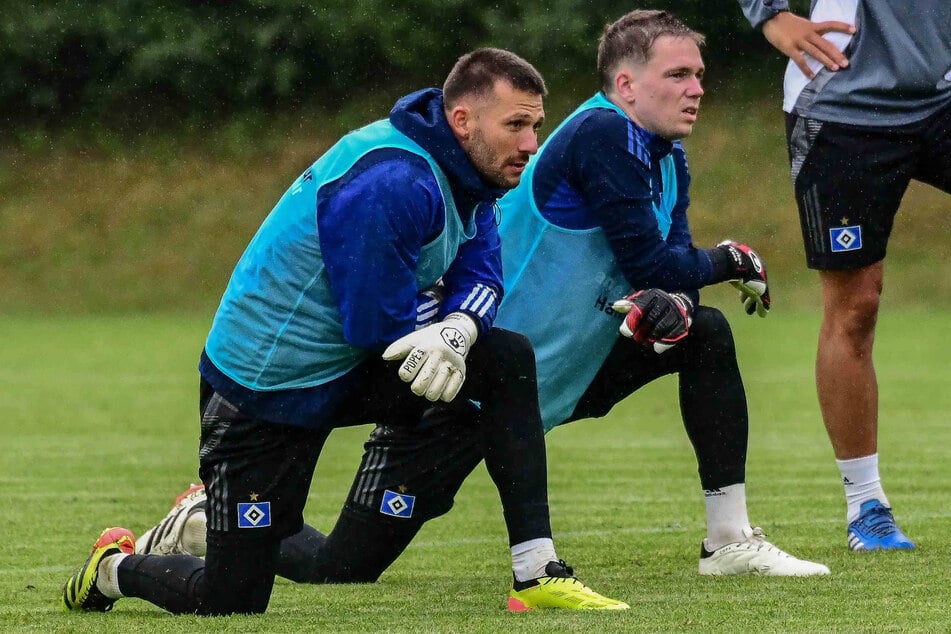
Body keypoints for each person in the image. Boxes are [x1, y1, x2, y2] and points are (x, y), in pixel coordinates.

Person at [138, 10, 830, 591]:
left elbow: (658, 272)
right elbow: (650, 259)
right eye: (677, 74)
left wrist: (670, 302)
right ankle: (203, 522)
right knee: (341, 569)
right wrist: (728, 259)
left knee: (700, 332)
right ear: (625, 84)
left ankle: (714, 541)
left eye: (699, 75)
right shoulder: (595, 134)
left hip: (549, 365)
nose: (696, 89)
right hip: (459, 388)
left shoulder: (664, 161)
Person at [61, 48, 629, 616]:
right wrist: (447, 320)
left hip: (343, 370)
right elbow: (374, 326)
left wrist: (457, 327)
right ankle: (114, 568)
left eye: (535, 125)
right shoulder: (393, 180)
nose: (531, 144)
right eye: (516, 125)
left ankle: (536, 571)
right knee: (231, 601)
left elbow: (482, 275)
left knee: (505, 356)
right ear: (463, 121)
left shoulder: (474, 174)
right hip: (263, 394)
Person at [738, 0, 951, 551]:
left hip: (943, 95)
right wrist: (769, 15)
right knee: (857, 305)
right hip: (844, 107)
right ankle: (867, 506)